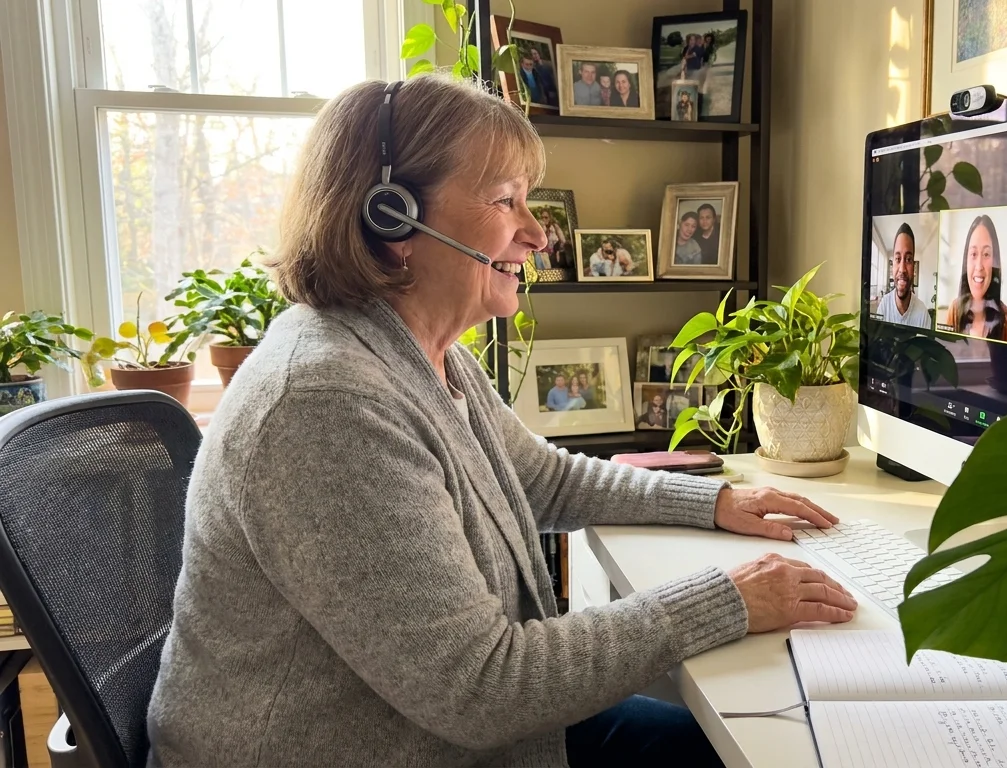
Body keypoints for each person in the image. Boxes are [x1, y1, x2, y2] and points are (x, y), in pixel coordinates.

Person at [145, 76, 859, 768]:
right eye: (505, 201)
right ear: (391, 218)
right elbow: (482, 688)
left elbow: (537, 478)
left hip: (435, 731)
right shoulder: (326, 405)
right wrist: (726, 600)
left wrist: (716, 500)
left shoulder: (418, 349)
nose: (538, 235)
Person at [943, 214, 1007, 342]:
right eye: (973, 254)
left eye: (986, 254)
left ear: (995, 263)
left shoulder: (1005, 317)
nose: (979, 266)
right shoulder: (954, 311)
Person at [876, 223, 931, 328]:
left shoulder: (923, 314)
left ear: (914, 267)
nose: (902, 269)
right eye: (898, 259)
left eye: (908, 259)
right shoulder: (884, 306)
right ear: (892, 265)